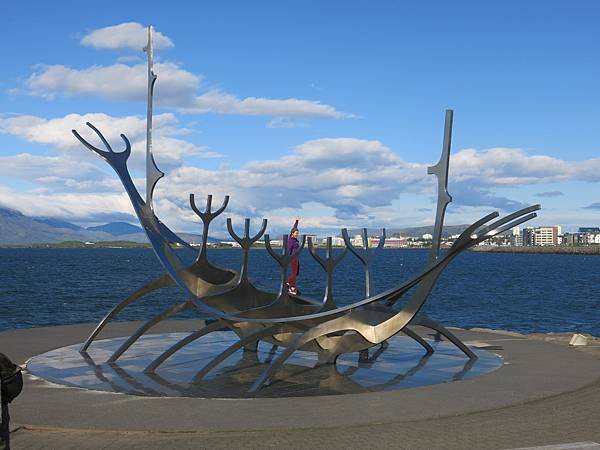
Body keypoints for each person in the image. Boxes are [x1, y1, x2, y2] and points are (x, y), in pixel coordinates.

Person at [286, 217, 301, 296]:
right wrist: (288, 258)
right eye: (296, 233)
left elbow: (295, 227)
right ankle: (292, 287)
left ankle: (288, 283)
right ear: (292, 233)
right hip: (293, 258)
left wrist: (297, 221)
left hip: (296, 257)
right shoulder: (291, 240)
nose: (297, 234)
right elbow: (288, 250)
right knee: (294, 272)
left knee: (297, 272)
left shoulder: (295, 239)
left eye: (298, 233)